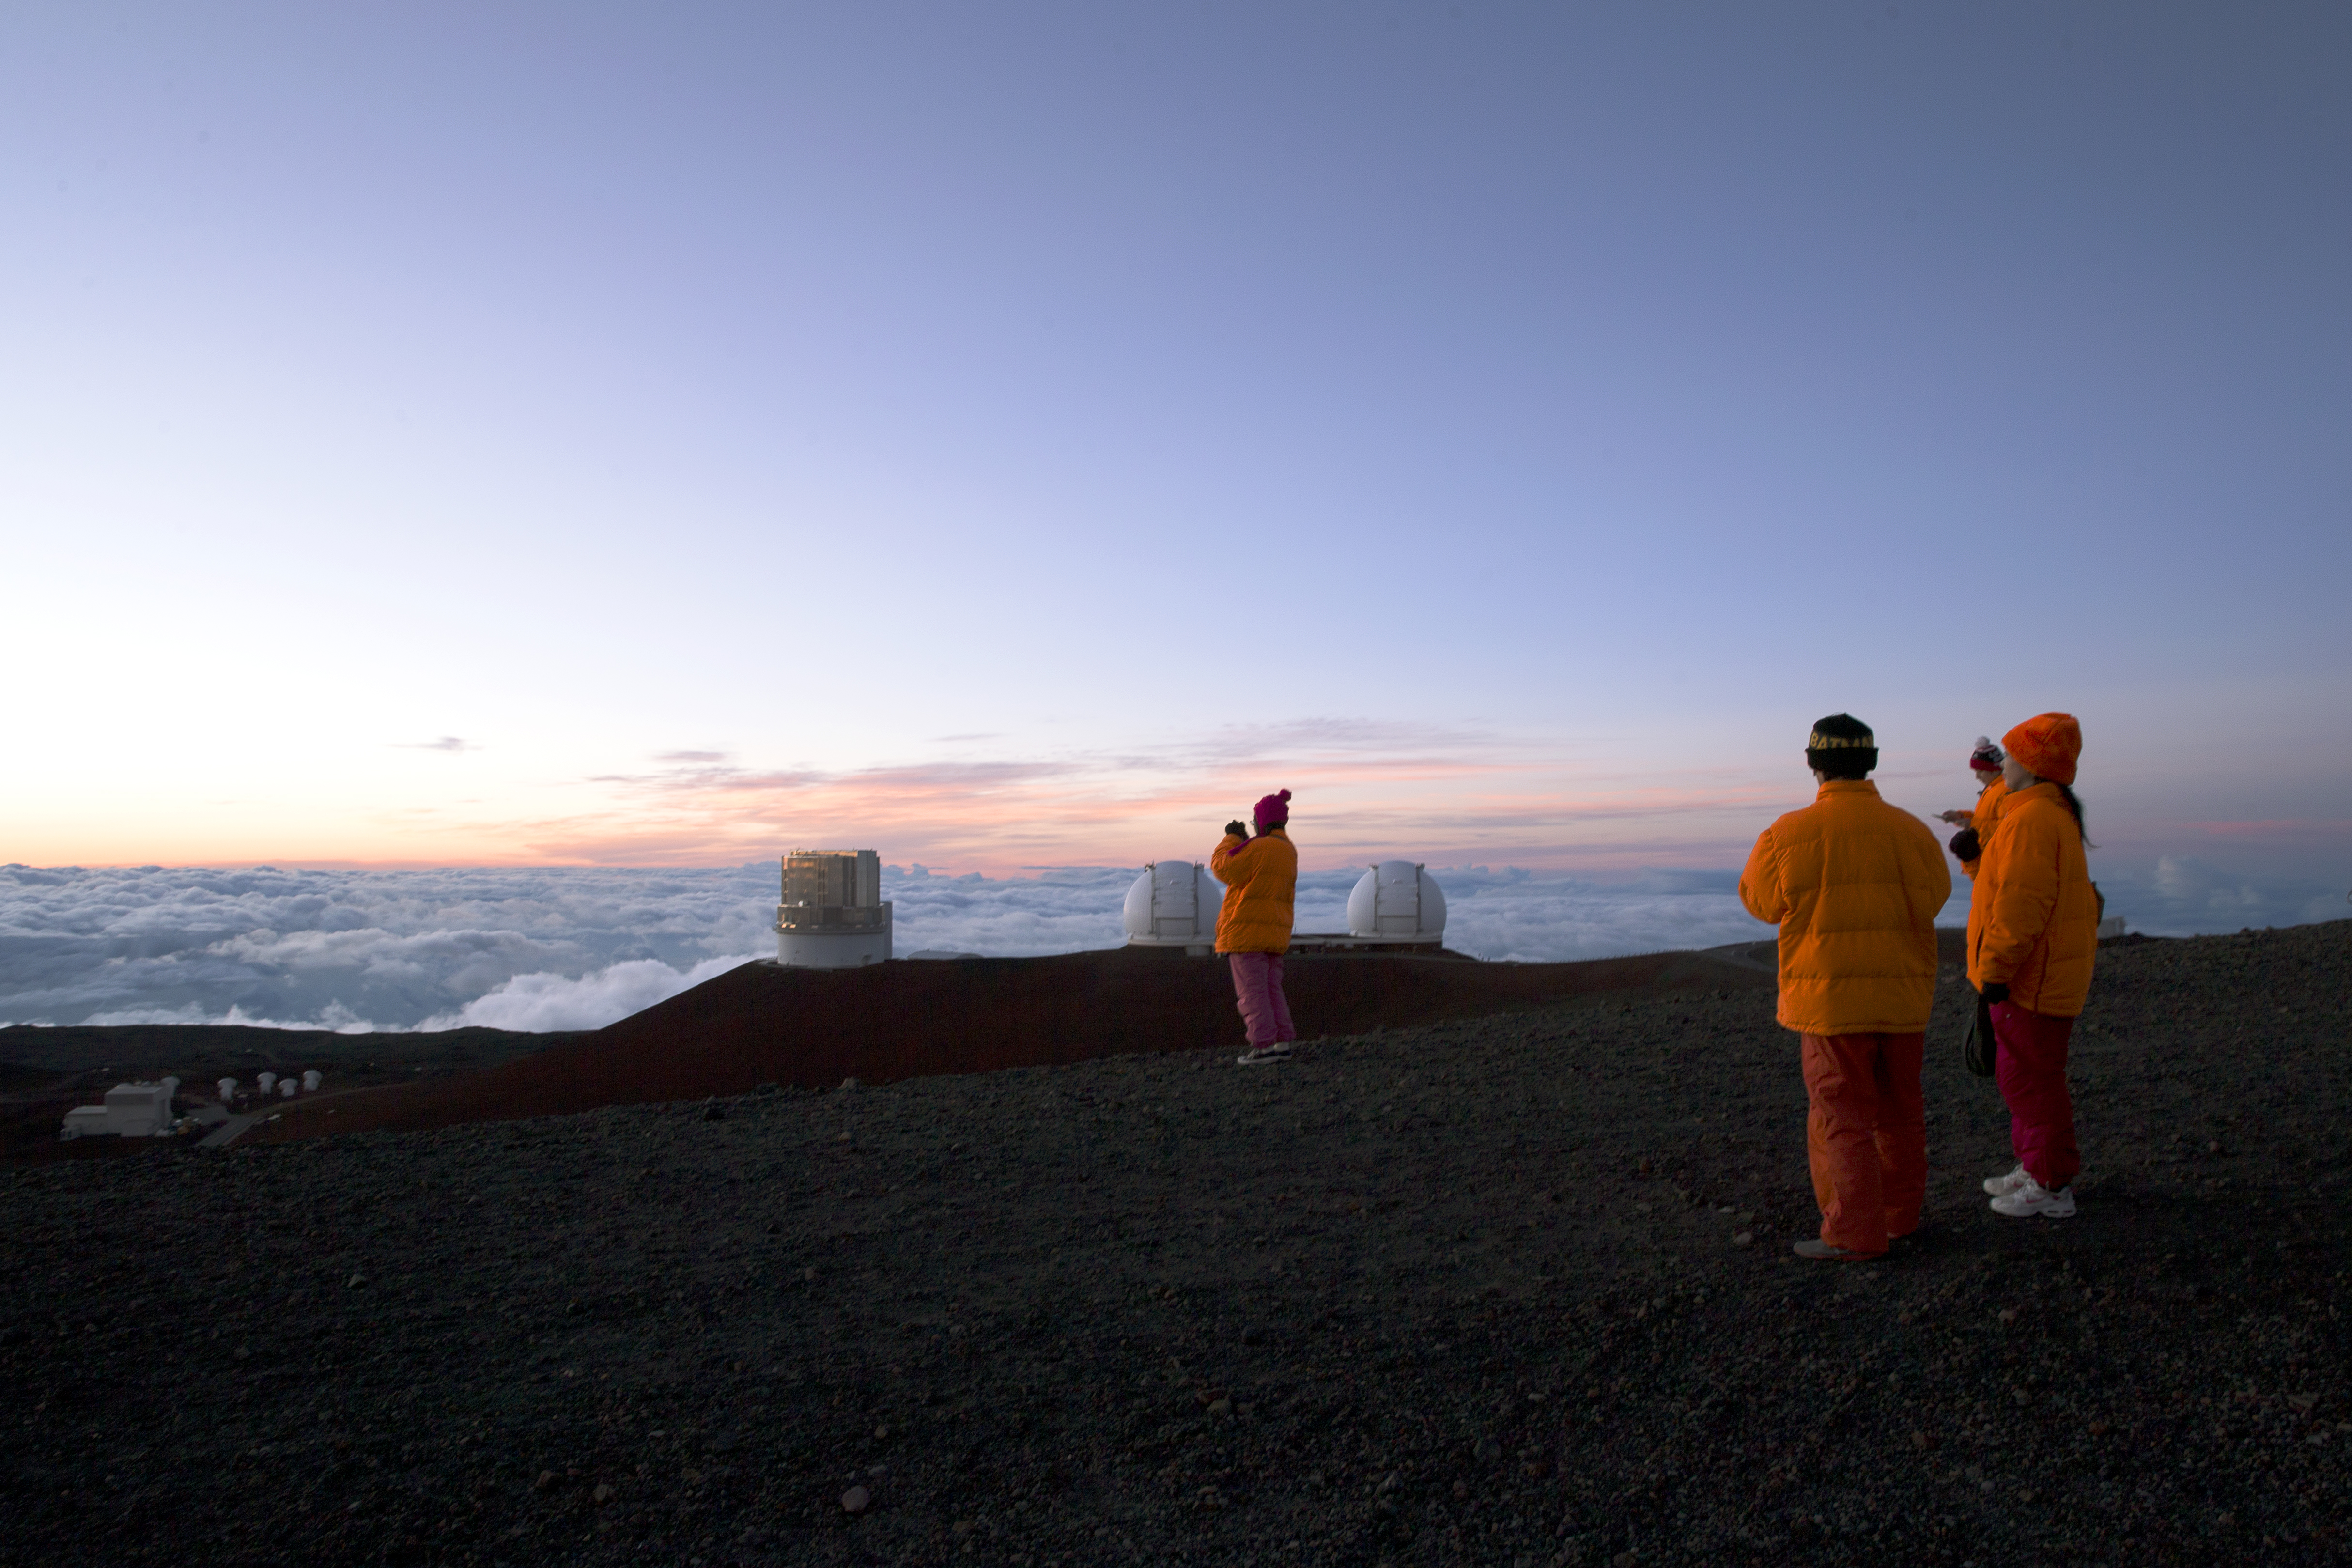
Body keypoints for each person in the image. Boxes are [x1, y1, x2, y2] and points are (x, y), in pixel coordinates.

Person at [1739, 715, 1952, 1261]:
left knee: (1841, 1118)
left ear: (1813, 764)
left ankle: (1854, 1234)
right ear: (1871, 763)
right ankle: (1898, 1219)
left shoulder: (1785, 835)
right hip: (1902, 998)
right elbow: (1934, 897)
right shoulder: (1912, 832)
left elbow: (1761, 903)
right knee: (1900, 1113)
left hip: (1829, 1003)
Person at [1970, 713, 2099, 1220]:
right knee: (2024, 1076)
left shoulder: (2033, 820)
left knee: (2030, 1081)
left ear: (2032, 763)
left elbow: (2020, 908)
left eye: (2012, 755)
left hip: (2031, 980)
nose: (2004, 763)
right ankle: (2038, 1165)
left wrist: (1995, 972)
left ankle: (2050, 1184)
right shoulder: (2043, 813)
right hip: (2040, 975)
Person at [1211, 789, 1299, 1067]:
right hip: (1274, 934)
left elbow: (1224, 868)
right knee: (1272, 990)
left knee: (1252, 992)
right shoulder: (1288, 850)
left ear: (1262, 821)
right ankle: (1281, 1043)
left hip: (1246, 934)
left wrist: (1232, 838)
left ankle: (1264, 1047)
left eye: (1254, 821)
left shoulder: (1259, 847)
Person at [1938, 736, 2009, 875]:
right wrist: (1960, 816)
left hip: (1996, 865)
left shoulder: (2004, 791)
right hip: (1989, 862)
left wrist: (1972, 825)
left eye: (1980, 771)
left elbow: (2006, 829)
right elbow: (1985, 819)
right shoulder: (1992, 790)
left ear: (1994, 769)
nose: (1977, 777)